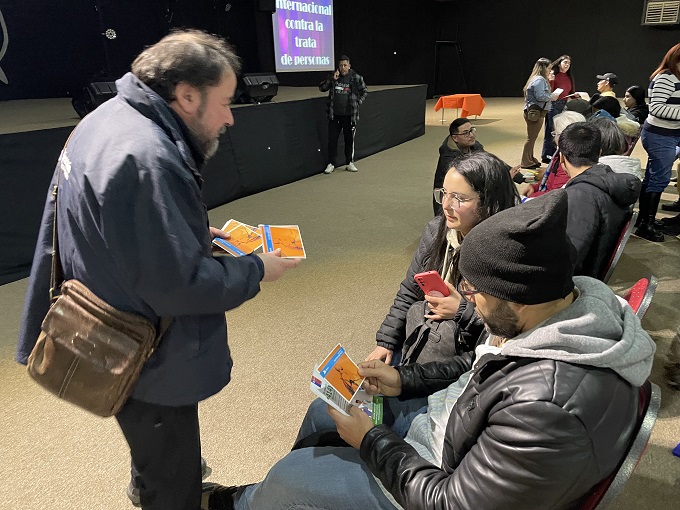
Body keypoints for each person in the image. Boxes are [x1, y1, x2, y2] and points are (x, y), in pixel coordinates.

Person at [202, 190, 655, 510]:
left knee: (295, 477)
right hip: (452, 432)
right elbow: (478, 367)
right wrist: (404, 379)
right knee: (326, 414)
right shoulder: (557, 308)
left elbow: (453, 504)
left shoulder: (549, 409)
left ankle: (259, 499)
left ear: (516, 296)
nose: (466, 299)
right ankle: (277, 499)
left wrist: (370, 439)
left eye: (475, 290)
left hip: (442, 474)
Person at [15, 30, 301, 510]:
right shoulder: (149, 158)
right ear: (186, 95)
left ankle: (150, 483)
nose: (232, 116)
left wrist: (184, 232)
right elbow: (181, 287)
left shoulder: (108, 117)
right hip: (143, 349)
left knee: (154, 454)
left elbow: (109, 225)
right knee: (173, 475)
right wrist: (257, 269)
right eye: (226, 102)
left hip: (105, 315)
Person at [367, 152, 519, 365]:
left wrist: (461, 312)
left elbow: (509, 332)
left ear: (489, 201)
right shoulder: (437, 231)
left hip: (469, 358)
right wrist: (386, 342)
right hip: (428, 336)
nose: (446, 205)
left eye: (459, 198)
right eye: (444, 193)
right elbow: (410, 290)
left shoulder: (509, 251)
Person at [559, 122, 641, 278]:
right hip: (593, 268)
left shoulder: (580, 196)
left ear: (562, 157)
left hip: (577, 281)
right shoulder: (611, 183)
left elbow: (569, 259)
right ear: (600, 152)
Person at [636, 42, 680, 242]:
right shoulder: (665, 78)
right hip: (660, 135)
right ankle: (646, 225)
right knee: (659, 179)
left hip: (671, 134)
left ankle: (644, 220)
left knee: (654, 177)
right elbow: (657, 108)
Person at [319, 55, 368, 174]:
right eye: (340, 65)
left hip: (349, 115)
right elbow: (322, 88)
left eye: (345, 65)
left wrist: (358, 101)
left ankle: (349, 162)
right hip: (334, 115)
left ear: (349, 66)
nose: (342, 68)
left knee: (349, 140)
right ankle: (331, 164)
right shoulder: (334, 77)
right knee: (332, 140)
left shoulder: (356, 77)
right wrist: (332, 79)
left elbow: (365, 91)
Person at [525, 111, 585, 198]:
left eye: (555, 134)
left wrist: (530, 197)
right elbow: (550, 178)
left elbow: (554, 194)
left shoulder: (569, 161)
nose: (554, 138)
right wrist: (534, 187)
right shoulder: (560, 153)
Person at [431, 118, 484, 215]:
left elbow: (489, 161)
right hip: (452, 201)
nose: (471, 135)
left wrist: (520, 177)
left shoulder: (475, 146)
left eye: (472, 130)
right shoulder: (449, 159)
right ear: (455, 138)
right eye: (466, 133)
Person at [521, 57, 555, 169]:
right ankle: (525, 161)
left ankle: (530, 159)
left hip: (534, 111)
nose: (550, 70)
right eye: (549, 68)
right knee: (531, 138)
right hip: (535, 112)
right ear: (543, 68)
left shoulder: (536, 78)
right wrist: (552, 96)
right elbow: (540, 96)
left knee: (532, 138)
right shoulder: (540, 80)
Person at [542, 55, 575, 163]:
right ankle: (547, 155)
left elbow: (571, 92)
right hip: (553, 104)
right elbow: (549, 91)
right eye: (565, 62)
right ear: (559, 63)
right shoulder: (554, 75)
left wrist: (577, 95)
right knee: (551, 130)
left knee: (561, 130)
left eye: (569, 63)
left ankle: (555, 154)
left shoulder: (569, 77)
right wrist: (551, 81)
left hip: (564, 104)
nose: (567, 65)